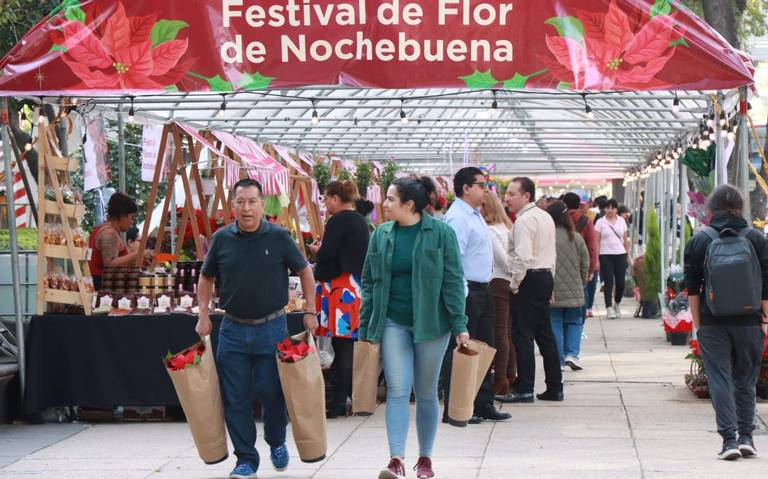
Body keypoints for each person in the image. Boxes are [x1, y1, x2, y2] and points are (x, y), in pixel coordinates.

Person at [196, 178, 318, 479]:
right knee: (235, 397)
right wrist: (203, 313)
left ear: (262, 204)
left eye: (252, 201)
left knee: (273, 391)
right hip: (232, 330)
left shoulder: (279, 237)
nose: (247, 208)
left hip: (272, 327)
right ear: (233, 205)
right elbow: (206, 277)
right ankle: (246, 460)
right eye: (241, 202)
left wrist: (310, 309)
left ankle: (276, 441)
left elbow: (304, 270)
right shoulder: (222, 239)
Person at [359, 177, 469, 479]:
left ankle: (425, 458)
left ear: (410, 205)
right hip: (393, 320)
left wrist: (460, 325)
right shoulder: (381, 234)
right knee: (396, 389)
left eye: (391, 199)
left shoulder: (441, 233)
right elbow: (369, 282)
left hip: (433, 324)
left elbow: (453, 281)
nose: (385, 204)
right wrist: (366, 328)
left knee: (426, 392)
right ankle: (396, 459)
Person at [684, 185, 768, 461]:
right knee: (746, 379)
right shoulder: (757, 239)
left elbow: (693, 287)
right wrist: (765, 319)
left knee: (719, 379)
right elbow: (766, 285)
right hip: (749, 320)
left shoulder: (700, 241)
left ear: (711, 209)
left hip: (712, 320)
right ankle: (747, 438)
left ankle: (729, 440)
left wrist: (699, 324)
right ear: (741, 208)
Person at [442, 167, 510, 424]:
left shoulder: (475, 215)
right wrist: (462, 294)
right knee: (462, 350)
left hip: (483, 287)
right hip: (467, 289)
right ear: (466, 188)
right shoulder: (458, 218)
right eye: (481, 185)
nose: (486, 190)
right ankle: (457, 406)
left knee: (485, 347)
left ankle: (482, 402)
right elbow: (454, 259)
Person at [309, 180, 370, 418]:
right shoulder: (359, 221)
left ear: (336, 198)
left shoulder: (338, 220)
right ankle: (345, 398)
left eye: (326, 199)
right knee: (347, 345)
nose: (325, 204)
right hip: (353, 288)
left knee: (341, 346)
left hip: (338, 290)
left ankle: (337, 402)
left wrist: (316, 250)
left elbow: (328, 253)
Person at [501, 177, 563, 403]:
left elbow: (523, 257)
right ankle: (555, 387)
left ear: (526, 196)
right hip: (544, 275)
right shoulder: (545, 217)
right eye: (507, 194)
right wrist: (551, 282)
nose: (507, 198)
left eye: (512, 194)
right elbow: (552, 254)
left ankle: (525, 388)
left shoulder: (524, 221)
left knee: (522, 335)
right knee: (545, 335)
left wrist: (514, 283)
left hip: (528, 279)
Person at [545, 201, 589, 371]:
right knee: (575, 322)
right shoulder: (576, 237)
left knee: (554, 322)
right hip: (575, 289)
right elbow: (586, 261)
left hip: (551, 289)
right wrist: (581, 282)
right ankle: (572, 354)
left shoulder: (546, 237)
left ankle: (559, 360)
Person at [481, 190, 517, 395]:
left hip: (497, 281)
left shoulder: (491, 231)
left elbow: (502, 259)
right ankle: (510, 373)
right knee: (507, 332)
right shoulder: (507, 227)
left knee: (500, 332)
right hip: (509, 282)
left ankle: (501, 378)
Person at [88, 192, 153, 291]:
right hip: (102, 288)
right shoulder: (109, 234)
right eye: (131, 217)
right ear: (123, 215)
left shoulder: (103, 230)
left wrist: (138, 260)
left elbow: (118, 262)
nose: (132, 222)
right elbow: (110, 265)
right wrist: (139, 253)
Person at [563, 193, 599, 321]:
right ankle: (579, 321)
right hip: (580, 265)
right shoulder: (586, 221)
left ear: (564, 204)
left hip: (561, 264)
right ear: (578, 204)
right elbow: (592, 247)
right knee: (581, 294)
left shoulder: (558, 220)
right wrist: (592, 269)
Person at [594, 199, 630, 319]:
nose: (610, 210)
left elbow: (625, 240)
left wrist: (628, 255)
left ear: (616, 209)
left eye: (612, 208)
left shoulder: (621, 221)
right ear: (604, 209)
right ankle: (608, 307)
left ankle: (617, 303)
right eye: (607, 208)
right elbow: (597, 241)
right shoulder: (600, 222)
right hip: (605, 255)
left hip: (620, 254)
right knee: (608, 282)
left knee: (621, 282)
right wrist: (597, 259)